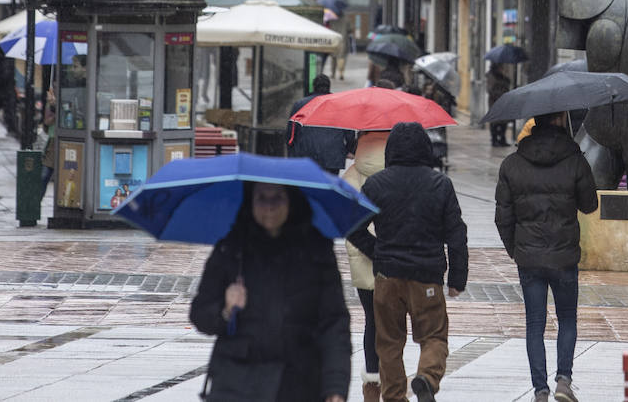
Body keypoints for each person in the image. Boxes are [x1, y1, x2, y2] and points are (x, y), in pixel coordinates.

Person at [189, 182, 350, 402]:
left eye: (278, 198)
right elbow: (200, 315)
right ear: (250, 201)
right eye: (261, 198)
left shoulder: (317, 253)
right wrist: (225, 310)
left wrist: (335, 386)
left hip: (298, 384)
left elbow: (334, 323)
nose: (269, 206)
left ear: (291, 201)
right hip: (237, 384)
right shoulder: (231, 250)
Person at [348, 123, 467, 402]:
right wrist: (457, 280)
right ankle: (426, 377)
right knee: (434, 337)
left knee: (388, 344)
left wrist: (377, 251)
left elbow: (353, 226)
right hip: (427, 276)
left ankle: (393, 398)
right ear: (425, 149)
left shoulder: (376, 184)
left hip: (388, 277)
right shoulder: (441, 184)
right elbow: (457, 236)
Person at [495, 111, 598, 402]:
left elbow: (502, 217)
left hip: (529, 258)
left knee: (534, 324)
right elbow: (590, 205)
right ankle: (563, 381)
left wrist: (515, 250)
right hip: (564, 257)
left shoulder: (512, 164)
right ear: (558, 121)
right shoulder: (575, 160)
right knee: (567, 319)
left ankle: (540, 390)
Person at [343, 131, 389, 402]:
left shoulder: (351, 176)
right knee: (392, 323)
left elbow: (347, 223)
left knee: (372, 320)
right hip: (396, 260)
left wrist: (368, 250)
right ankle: (393, 379)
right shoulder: (398, 175)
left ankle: (372, 383)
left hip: (363, 261)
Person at [287, 75, 348, 175]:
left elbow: (291, 132)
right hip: (332, 157)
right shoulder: (340, 105)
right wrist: (349, 149)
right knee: (328, 187)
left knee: (307, 186)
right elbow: (348, 130)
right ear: (329, 87)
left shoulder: (300, 104)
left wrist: (291, 152)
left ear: (314, 87)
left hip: (305, 156)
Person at [485, 65, 512, 147]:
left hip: (503, 102)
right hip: (495, 103)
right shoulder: (491, 76)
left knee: (504, 122)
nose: (502, 68)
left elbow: (506, 86)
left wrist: (506, 79)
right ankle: (494, 139)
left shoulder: (502, 76)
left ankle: (502, 139)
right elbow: (490, 89)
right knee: (495, 122)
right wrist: (499, 96)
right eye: (501, 67)